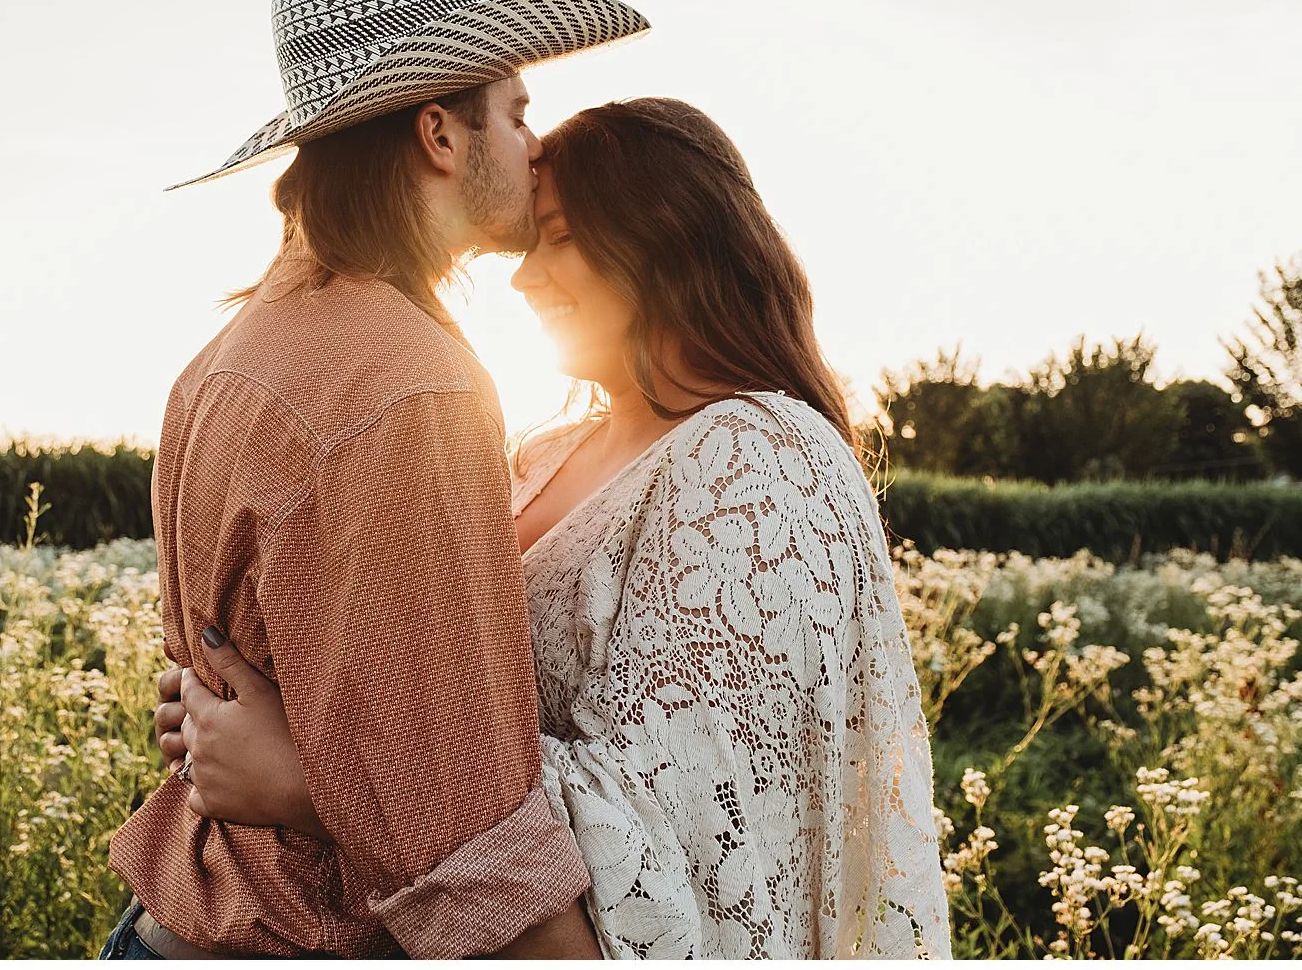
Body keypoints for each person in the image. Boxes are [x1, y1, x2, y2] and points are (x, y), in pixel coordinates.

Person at [155, 98, 954, 958]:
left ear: (669, 236)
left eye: (561, 238)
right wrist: (233, 693)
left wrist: (307, 776)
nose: (524, 277)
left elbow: (694, 813)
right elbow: (420, 687)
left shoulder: (762, 463)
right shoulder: (540, 453)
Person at [99, 0, 649, 959]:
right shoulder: (411, 385)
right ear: (440, 134)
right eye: (517, 110)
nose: (535, 147)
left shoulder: (221, 357)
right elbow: (460, 833)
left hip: (174, 922)